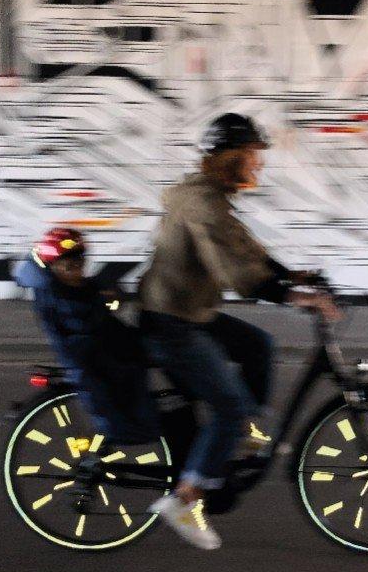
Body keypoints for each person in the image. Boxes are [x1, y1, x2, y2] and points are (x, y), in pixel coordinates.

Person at [139, 112, 340, 549]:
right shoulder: (203, 205)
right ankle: (185, 499)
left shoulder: (211, 196)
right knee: (227, 407)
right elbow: (237, 272)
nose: (258, 163)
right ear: (231, 157)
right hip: (170, 323)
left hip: (188, 312)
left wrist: (293, 275)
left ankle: (241, 435)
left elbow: (245, 248)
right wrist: (293, 296)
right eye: (252, 154)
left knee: (256, 345)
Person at [14, 228, 159, 459]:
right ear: (53, 267)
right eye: (71, 266)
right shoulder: (57, 294)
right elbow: (85, 321)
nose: (78, 270)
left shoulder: (67, 287)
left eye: (81, 263)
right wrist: (103, 300)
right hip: (92, 356)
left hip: (100, 346)